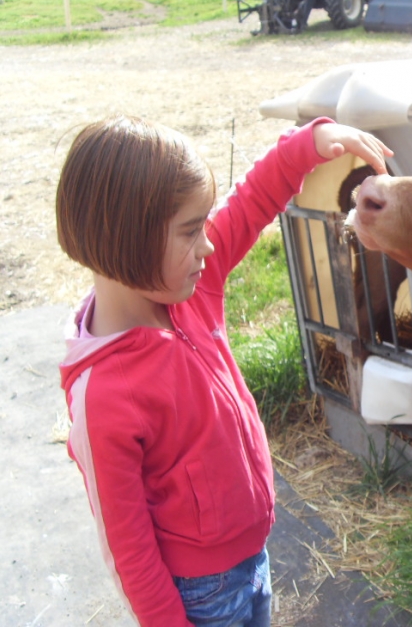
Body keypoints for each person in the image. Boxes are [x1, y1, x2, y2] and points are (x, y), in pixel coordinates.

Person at [56, 114, 393, 626]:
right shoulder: (103, 397)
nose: (209, 247)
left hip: (253, 556)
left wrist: (309, 145)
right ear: (127, 241)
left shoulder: (188, 285)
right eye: (191, 232)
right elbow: (129, 549)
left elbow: (252, 201)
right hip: (200, 596)